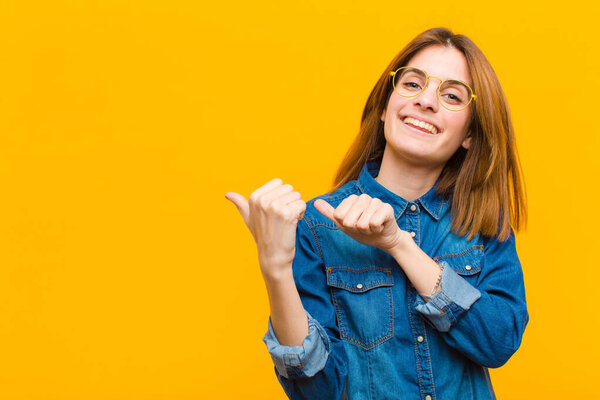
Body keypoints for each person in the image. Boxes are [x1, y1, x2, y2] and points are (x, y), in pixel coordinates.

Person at [225, 27, 528, 400]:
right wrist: (275, 268)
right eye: (413, 84)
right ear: (385, 108)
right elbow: (317, 391)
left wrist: (399, 244)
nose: (427, 102)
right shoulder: (316, 225)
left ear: (470, 134)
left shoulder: (482, 223)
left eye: (451, 95)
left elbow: (498, 341)